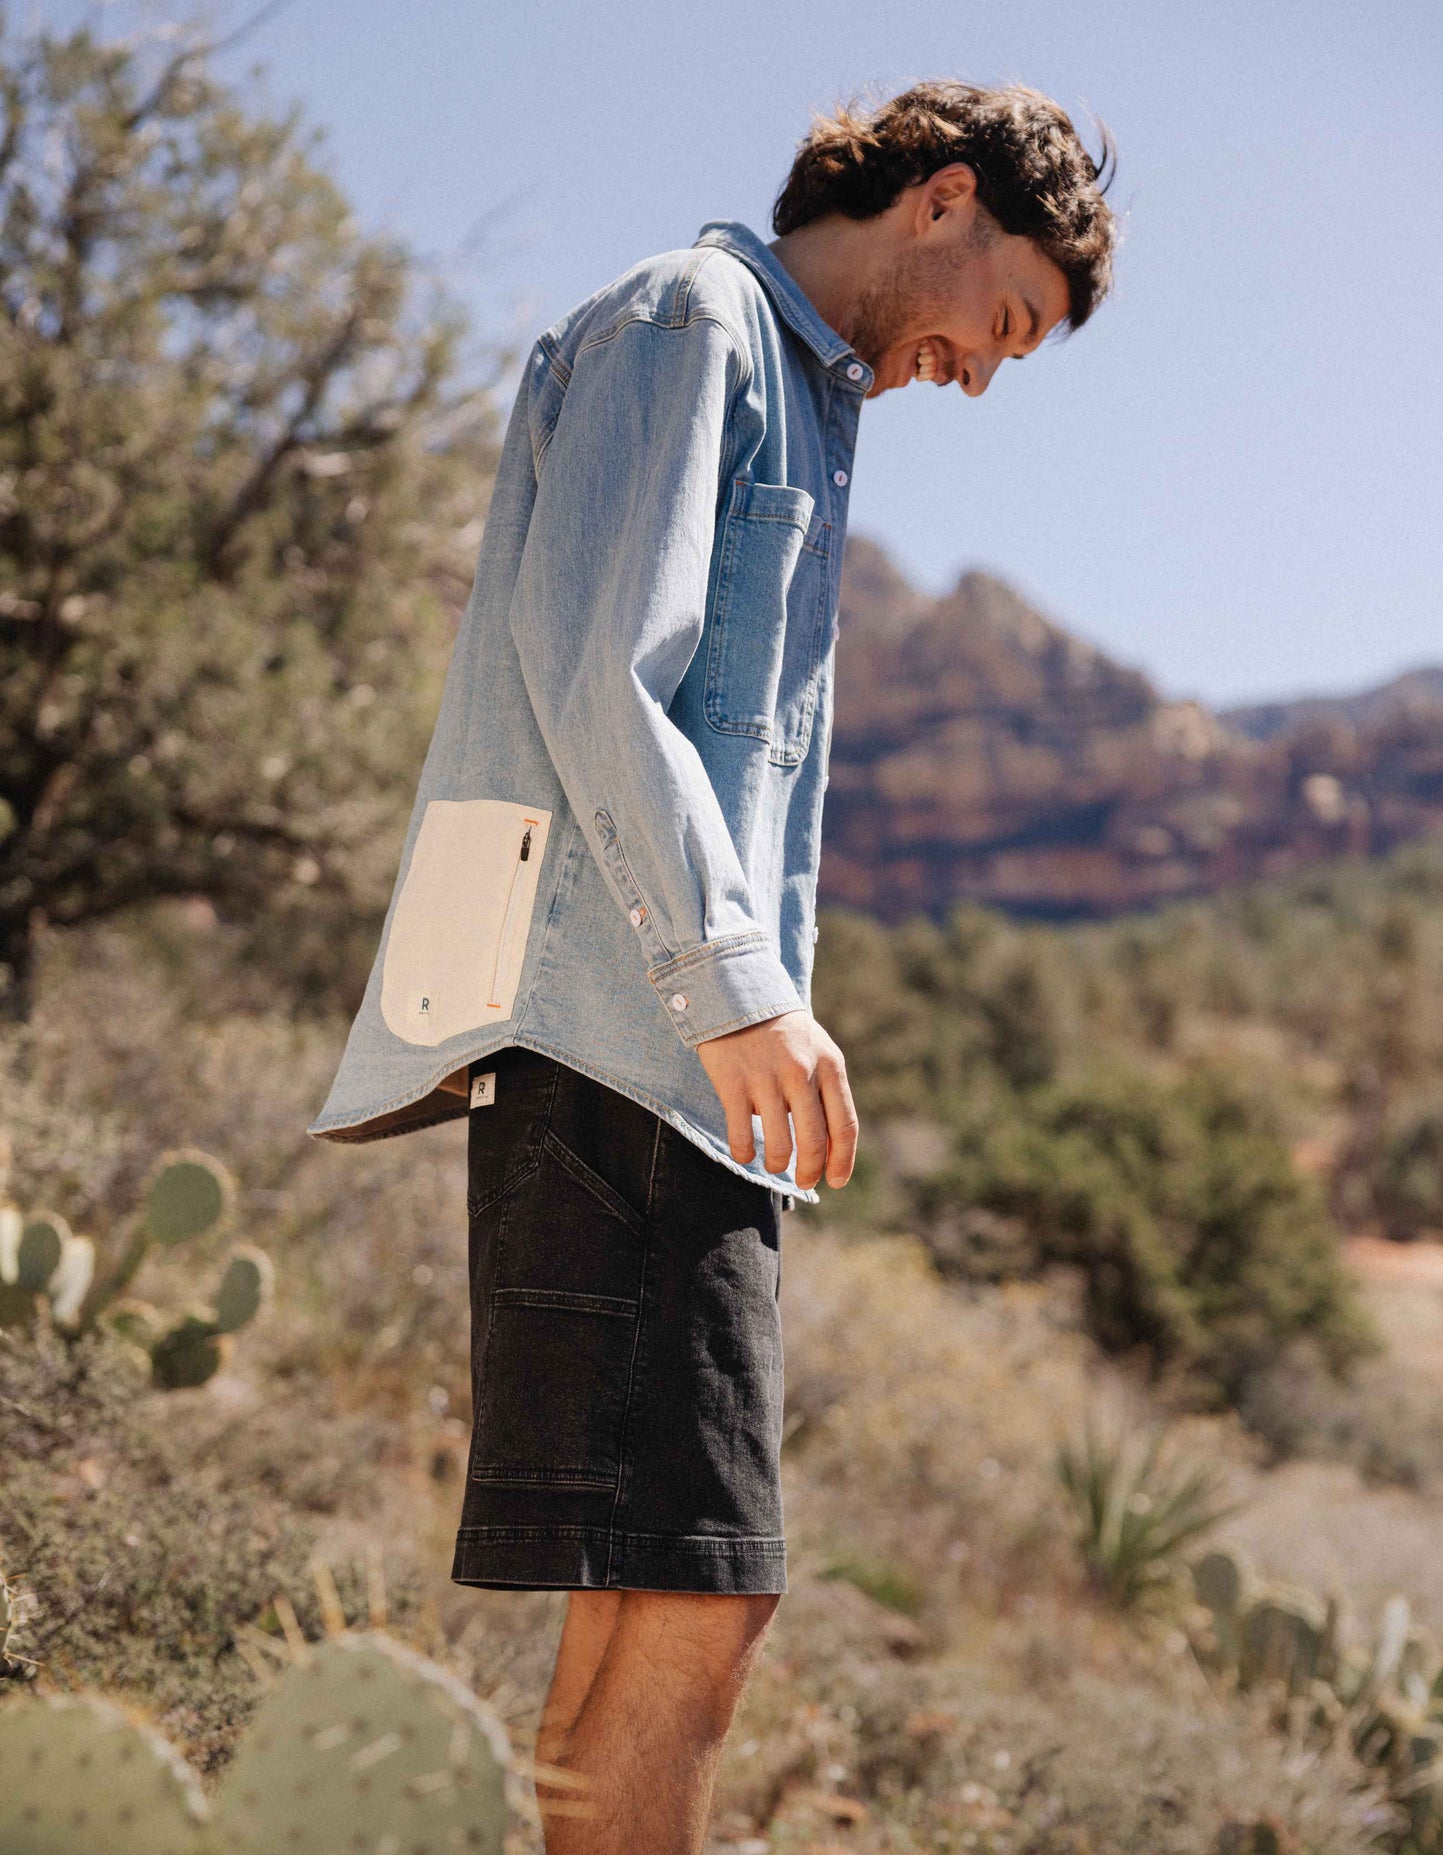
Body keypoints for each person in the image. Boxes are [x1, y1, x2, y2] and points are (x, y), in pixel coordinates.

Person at [307, 76, 1118, 1855]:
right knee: (696, 1598)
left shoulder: (812, 407)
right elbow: (601, 666)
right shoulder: (695, 320)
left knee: (654, 1598)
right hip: (621, 1044)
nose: (982, 370)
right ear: (943, 203)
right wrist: (739, 987)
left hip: (672, 1067)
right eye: (1006, 321)